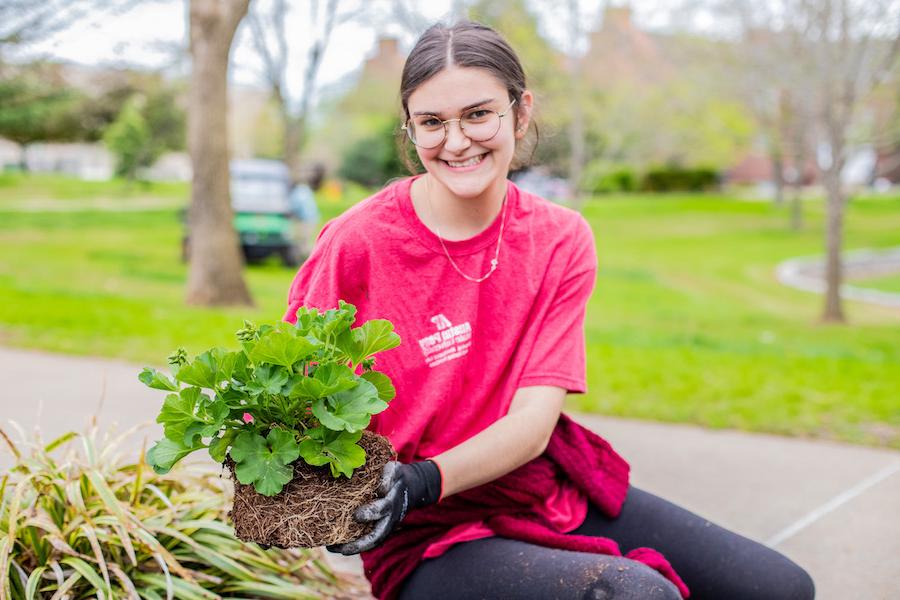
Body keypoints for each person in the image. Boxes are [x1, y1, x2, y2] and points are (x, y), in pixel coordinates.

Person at [283, 20, 815, 600]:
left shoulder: (559, 238)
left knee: (780, 588)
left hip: (529, 484)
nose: (456, 141)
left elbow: (533, 424)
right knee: (634, 595)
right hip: (421, 532)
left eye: (478, 114)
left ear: (521, 111)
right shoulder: (358, 243)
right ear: (409, 129)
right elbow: (294, 399)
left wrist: (422, 480)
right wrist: (330, 494)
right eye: (432, 122)